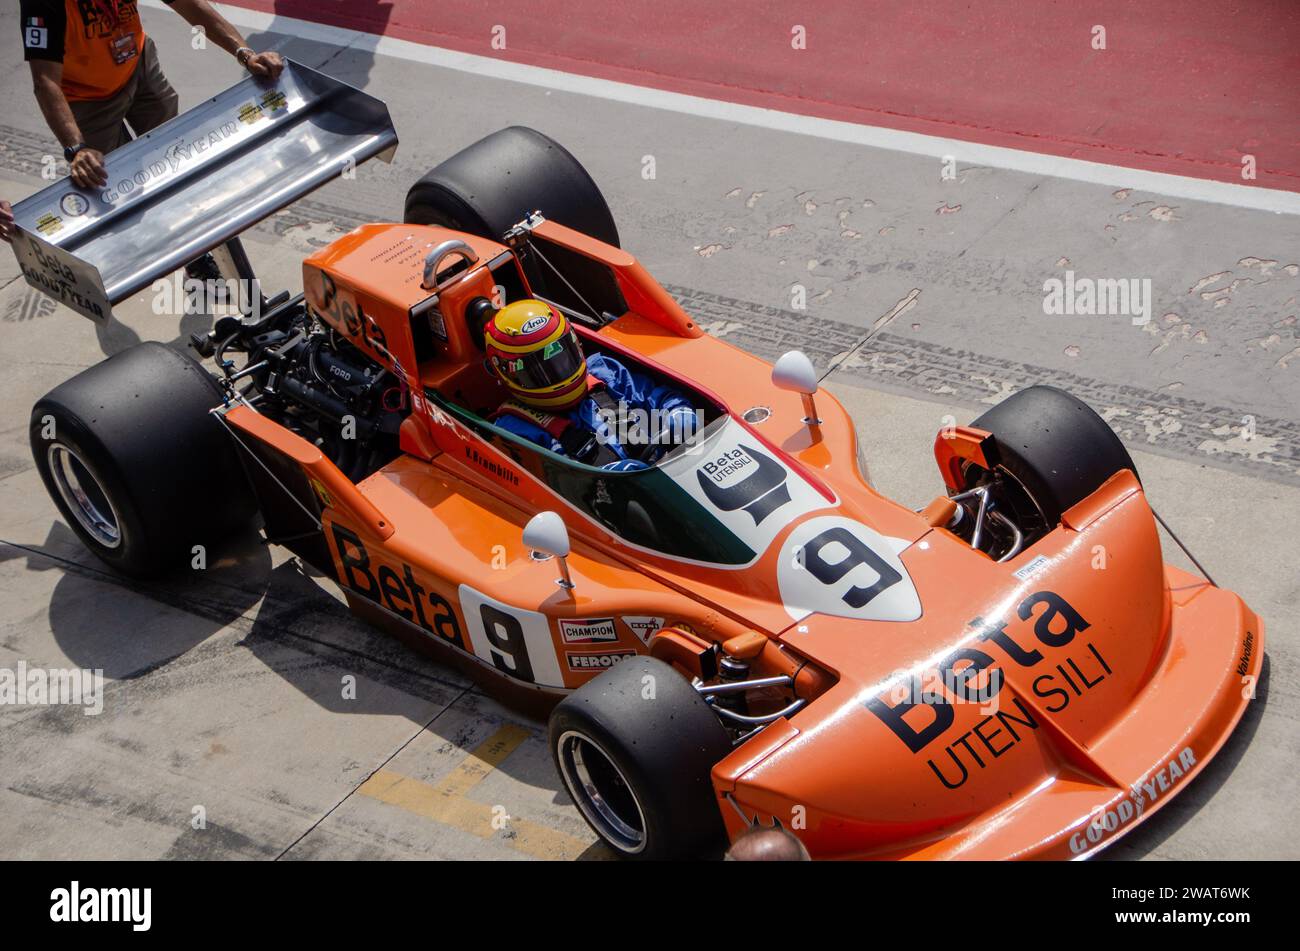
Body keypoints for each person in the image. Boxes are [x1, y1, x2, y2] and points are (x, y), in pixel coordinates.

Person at [20, 0, 284, 190]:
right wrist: (76, 148)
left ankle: (195, 257)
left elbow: (189, 5)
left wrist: (245, 54)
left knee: (174, 155)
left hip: (139, 66)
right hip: (86, 99)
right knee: (113, 184)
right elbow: (45, 82)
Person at [484, 299, 699, 470]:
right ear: (506, 373)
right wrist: (602, 482)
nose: (557, 371)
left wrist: (678, 411)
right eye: (537, 370)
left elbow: (659, 396)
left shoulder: (604, 372)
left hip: (670, 472)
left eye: (560, 356)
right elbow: (550, 487)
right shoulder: (513, 430)